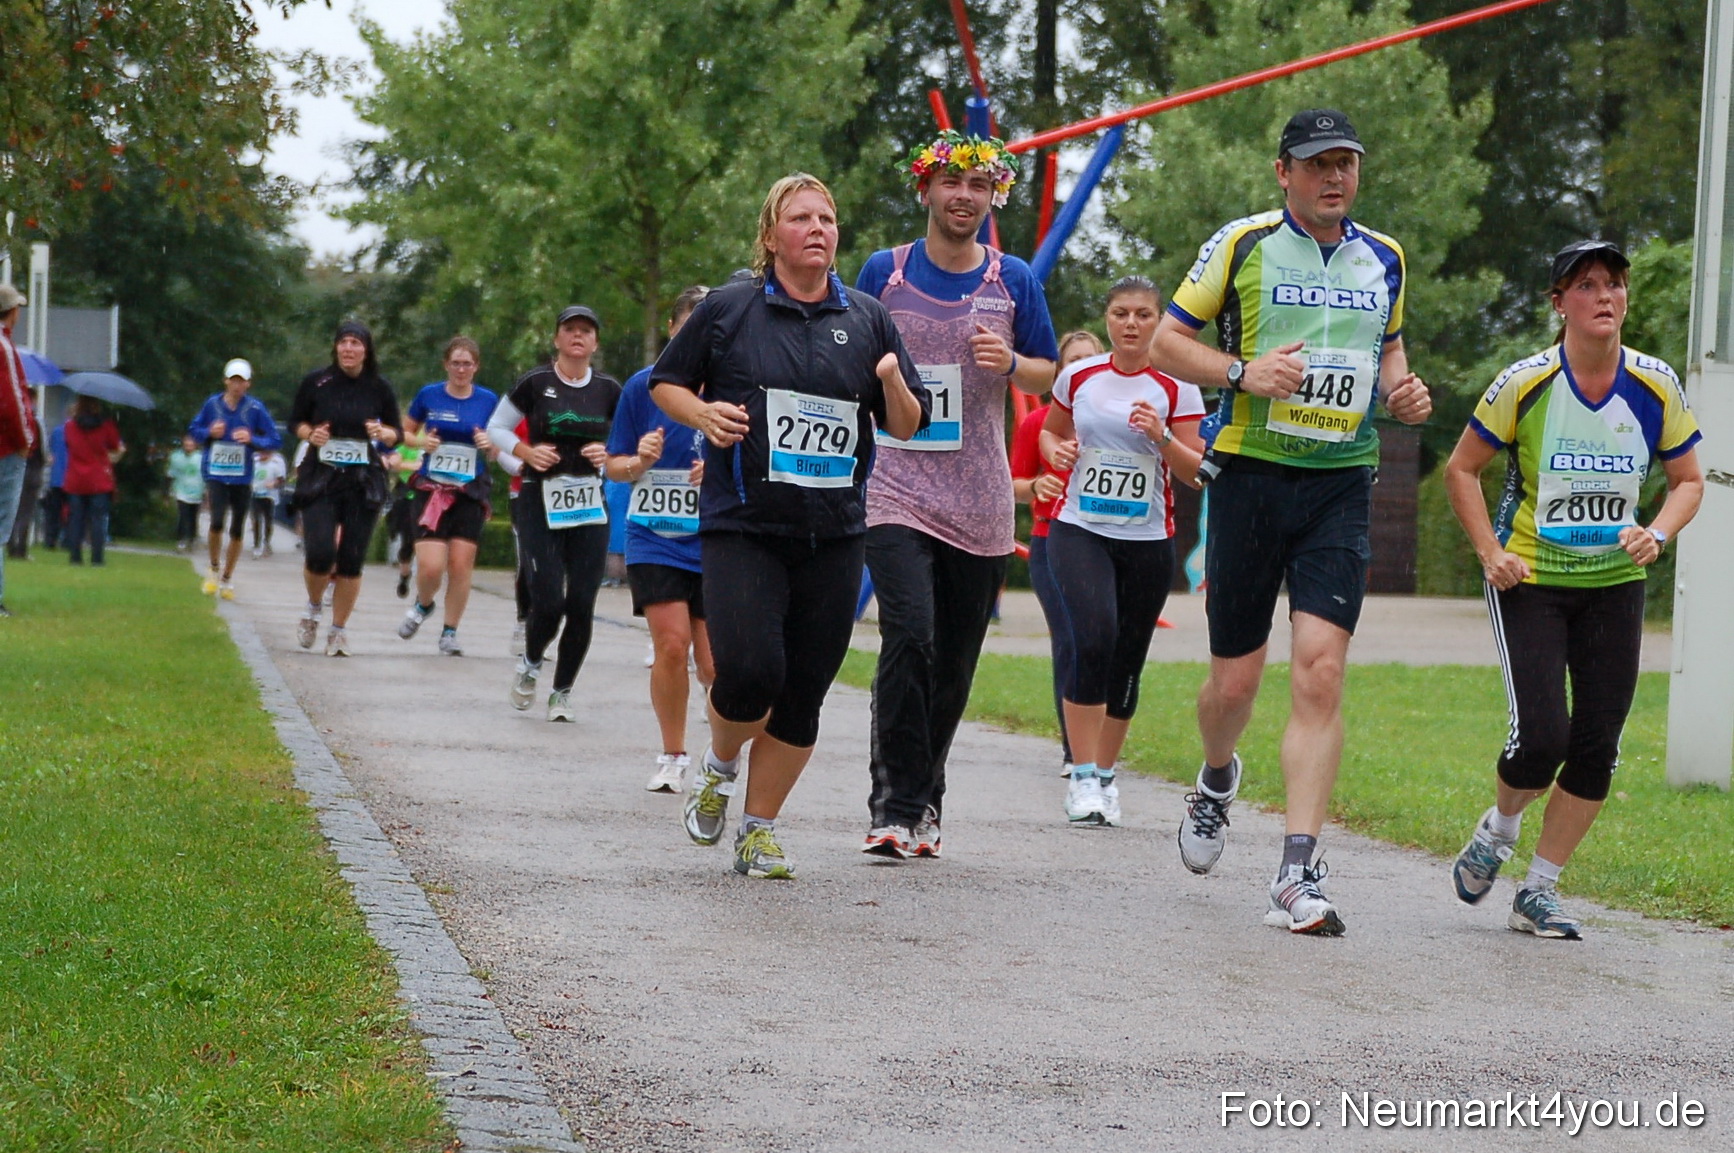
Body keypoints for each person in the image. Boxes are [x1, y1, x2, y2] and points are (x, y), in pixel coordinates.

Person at [1149, 108, 1432, 935]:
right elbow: (1169, 343)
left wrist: (1401, 389)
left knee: (1320, 670)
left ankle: (1296, 869)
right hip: (1249, 478)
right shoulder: (1240, 244)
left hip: (1340, 481)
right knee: (1233, 684)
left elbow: (1389, 353)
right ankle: (1213, 778)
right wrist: (1243, 370)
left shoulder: (1386, 257)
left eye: (1346, 162)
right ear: (1284, 172)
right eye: (1317, 164)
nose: (1334, 177)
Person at [650, 172, 927, 880]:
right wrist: (704, 414)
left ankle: (759, 829)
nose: (817, 229)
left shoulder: (867, 317)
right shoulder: (729, 309)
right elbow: (667, 382)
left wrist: (893, 380)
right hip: (745, 524)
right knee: (748, 672)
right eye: (800, 218)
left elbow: (907, 421)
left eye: (827, 218)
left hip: (834, 533)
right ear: (771, 235)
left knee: (803, 689)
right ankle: (718, 766)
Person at [1442, 240, 1703, 940]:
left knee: (1597, 746)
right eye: (1587, 286)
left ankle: (1540, 889)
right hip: (1531, 580)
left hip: (1615, 584)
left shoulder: (1655, 384)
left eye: (1615, 284)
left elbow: (1690, 480)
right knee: (1542, 739)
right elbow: (1461, 469)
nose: (1606, 297)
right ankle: (1499, 830)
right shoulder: (1523, 383)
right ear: (1560, 303)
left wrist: (1659, 532)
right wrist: (1490, 551)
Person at [853, 131, 1060, 860]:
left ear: (992, 196)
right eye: (950, 183)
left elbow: (1047, 376)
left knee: (955, 657)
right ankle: (892, 803)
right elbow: (846, 348)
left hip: (978, 494)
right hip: (894, 482)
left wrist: (1013, 362)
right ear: (926, 191)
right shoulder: (886, 271)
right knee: (909, 632)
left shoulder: (1015, 281)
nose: (963, 196)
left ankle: (926, 795)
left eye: (978, 186)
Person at [1039, 278, 1207, 826]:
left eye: (1142, 314)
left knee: (1128, 657)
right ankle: (1082, 775)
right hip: (1079, 527)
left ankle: (1107, 778)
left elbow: (1194, 472)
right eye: (1120, 313)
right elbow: (1049, 432)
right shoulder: (1079, 375)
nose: (1131, 324)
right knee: (1093, 636)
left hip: (1147, 539)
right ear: (1107, 319)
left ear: (1159, 321)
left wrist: (1160, 436)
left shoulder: (1177, 387)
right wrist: (1056, 451)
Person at [604, 286, 717, 792]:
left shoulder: (732, 386)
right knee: (671, 647)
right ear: (673, 330)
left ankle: (721, 760)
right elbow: (614, 465)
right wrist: (640, 462)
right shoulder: (641, 387)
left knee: (715, 664)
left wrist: (715, 471)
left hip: (716, 538)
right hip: (653, 534)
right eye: (689, 327)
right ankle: (673, 754)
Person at [487, 306, 621, 719]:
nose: (577, 337)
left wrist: (610, 452)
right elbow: (497, 428)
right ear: (557, 339)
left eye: (586, 331)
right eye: (570, 330)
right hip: (538, 498)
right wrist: (526, 451)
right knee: (547, 601)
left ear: (595, 343)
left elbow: (627, 438)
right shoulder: (535, 382)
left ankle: (562, 691)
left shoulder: (609, 389)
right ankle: (530, 662)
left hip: (588, 502)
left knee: (581, 601)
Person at [1011, 329, 1105, 778]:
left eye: (1090, 360)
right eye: (1072, 362)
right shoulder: (1038, 423)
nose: (1081, 369)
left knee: (1108, 641)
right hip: (1053, 541)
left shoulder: (1121, 418)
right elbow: (1011, 484)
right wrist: (1035, 487)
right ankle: (1075, 752)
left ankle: (1103, 746)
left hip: (1110, 542)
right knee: (1071, 639)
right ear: (1059, 374)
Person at [289, 321, 402, 656]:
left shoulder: (379, 387)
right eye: (344, 342)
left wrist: (384, 435)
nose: (349, 349)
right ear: (335, 347)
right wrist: (311, 435)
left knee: (352, 559)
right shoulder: (316, 382)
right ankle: (312, 608)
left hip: (362, 480)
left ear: (367, 350)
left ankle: (338, 631)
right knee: (320, 553)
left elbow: (398, 432)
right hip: (322, 476)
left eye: (356, 343)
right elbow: (296, 421)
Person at [397, 336, 500, 657]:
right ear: (446, 364)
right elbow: (404, 433)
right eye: (455, 363)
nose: (461, 369)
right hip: (432, 489)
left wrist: (488, 446)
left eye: (467, 364)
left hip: (469, 492)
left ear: (476, 367)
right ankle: (423, 604)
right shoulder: (429, 395)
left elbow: (498, 451)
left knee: (460, 565)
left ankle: (450, 632)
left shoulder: (487, 400)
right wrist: (419, 444)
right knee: (430, 567)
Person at [189, 357, 281, 599]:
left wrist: (252, 439)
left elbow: (274, 439)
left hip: (241, 477)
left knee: (237, 529)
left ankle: (228, 578)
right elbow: (193, 432)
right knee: (217, 520)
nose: (236, 386)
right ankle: (213, 568)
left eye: (241, 381)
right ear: (225, 381)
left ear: (248, 384)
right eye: (233, 380)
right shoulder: (212, 405)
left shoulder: (255, 409)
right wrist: (210, 432)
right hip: (216, 473)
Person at [0, 281, 38, 615]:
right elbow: (13, 398)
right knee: (0, 524)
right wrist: (26, 441)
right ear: (12, 312)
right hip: (5, 447)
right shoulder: (4, 347)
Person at [62, 397, 124, 566]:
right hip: (98, 480)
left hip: (75, 479)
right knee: (98, 520)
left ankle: (75, 557)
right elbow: (115, 446)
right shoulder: (106, 425)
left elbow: (69, 445)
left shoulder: (69, 426)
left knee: (76, 520)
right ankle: (97, 558)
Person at [167, 434, 205, 552]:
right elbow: (170, 474)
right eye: (186, 444)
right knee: (183, 516)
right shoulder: (176, 457)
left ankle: (192, 539)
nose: (188, 446)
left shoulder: (201, 458)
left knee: (193, 517)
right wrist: (166, 493)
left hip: (197, 492)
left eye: (191, 444)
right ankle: (181, 540)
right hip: (181, 491)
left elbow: (206, 476)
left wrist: (207, 493)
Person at [250, 447, 286, 557]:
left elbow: (281, 480)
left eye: (265, 453)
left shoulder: (274, 465)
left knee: (268, 520)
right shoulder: (254, 463)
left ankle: (266, 542)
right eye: (261, 453)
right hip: (256, 494)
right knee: (256, 520)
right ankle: (256, 544)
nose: (263, 455)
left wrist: (274, 484)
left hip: (269, 496)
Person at [40, 419, 67, 551]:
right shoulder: (78, 431)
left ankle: (50, 539)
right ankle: (68, 540)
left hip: (56, 477)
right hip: (71, 476)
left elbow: (49, 450)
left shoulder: (57, 431)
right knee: (73, 512)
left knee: (53, 512)